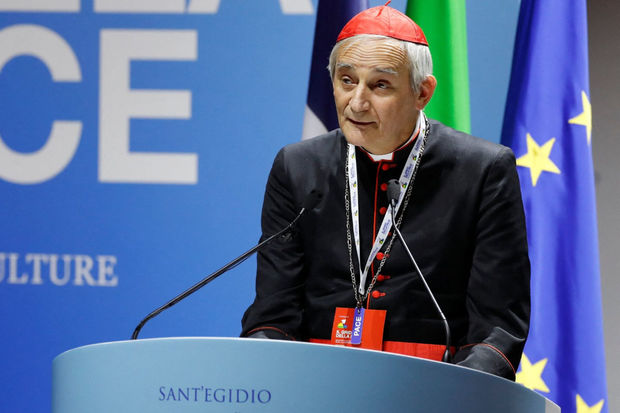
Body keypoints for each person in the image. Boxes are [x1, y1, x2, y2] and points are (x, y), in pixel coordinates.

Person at [241, 5, 529, 381]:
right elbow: (272, 315)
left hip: (434, 386)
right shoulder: (298, 167)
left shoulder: (481, 170)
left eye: (380, 85)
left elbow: (498, 328)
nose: (357, 102)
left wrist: (456, 392)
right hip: (315, 384)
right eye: (346, 80)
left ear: (422, 92)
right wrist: (266, 374)